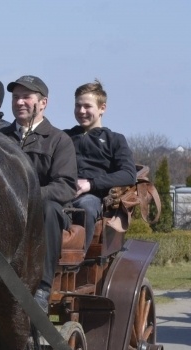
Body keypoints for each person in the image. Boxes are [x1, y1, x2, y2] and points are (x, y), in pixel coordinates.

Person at [0, 76, 77, 312]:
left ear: (43, 103)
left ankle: (42, 288)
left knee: (49, 209)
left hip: (44, 214)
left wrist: (27, 196)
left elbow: (65, 186)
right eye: (15, 97)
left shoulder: (59, 140)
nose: (19, 102)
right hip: (4, 210)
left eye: (26, 97)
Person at [64, 80, 137, 252]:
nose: (81, 111)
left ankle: (77, 258)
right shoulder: (64, 137)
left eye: (87, 106)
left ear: (102, 108)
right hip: (62, 192)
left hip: (92, 196)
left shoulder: (115, 140)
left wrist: (90, 184)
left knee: (87, 208)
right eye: (78, 106)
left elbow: (128, 174)